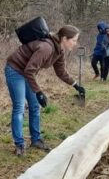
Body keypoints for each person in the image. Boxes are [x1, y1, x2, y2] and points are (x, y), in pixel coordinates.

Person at [5, 25, 86, 155]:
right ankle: (19, 144)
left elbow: (61, 72)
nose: (75, 44)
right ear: (64, 38)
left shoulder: (59, 51)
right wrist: (39, 92)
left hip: (27, 73)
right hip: (15, 70)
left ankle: (36, 140)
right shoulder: (46, 48)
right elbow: (29, 71)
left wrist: (75, 85)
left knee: (35, 106)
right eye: (74, 40)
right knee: (20, 107)